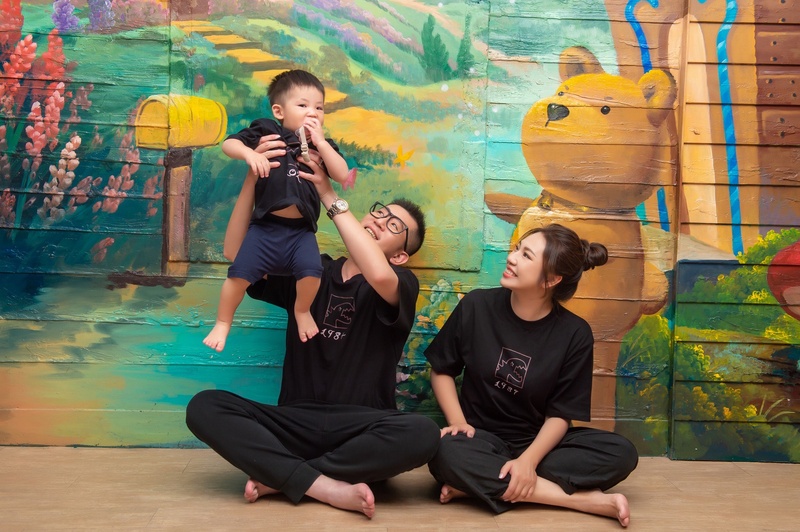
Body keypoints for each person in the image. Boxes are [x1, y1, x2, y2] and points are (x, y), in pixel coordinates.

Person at [186, 142, 440, 518]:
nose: (378, 222)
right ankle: (322, 484)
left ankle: (289, 476)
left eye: (393, 227)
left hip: (360, 430)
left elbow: (379, 274)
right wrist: (251, 180)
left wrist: (327, 193)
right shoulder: (308, 268)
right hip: (295, 423)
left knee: (423, 433)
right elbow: (235, 252)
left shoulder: (401, 283)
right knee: (204, 407)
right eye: (379, 213)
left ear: (400, 255)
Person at [425, 224, 639, 527]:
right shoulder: (476, 306)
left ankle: (479, 486)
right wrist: (458, 423)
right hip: (479, 438)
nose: (511, 258)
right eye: (517, 249)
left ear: (551, 280)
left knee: (621, 453)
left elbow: (560, 414)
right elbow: (442, 370)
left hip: (539, 444)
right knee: (445, 452)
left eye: (526, 255)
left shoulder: (575, 334)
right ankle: (578, 500)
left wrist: (528, 461)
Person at [204, 69, 350, 352]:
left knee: (312, 273)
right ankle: (223, 322)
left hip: (301, 232)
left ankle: (302, 310)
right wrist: (250, 153)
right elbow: (229, 144)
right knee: (238, 276)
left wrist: (321, 143)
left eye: (320, 108)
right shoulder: (267, 130)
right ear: (279, 111)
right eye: (303, 105)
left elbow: (342, 174)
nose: (313, 113)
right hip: (265, 228)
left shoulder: (322, 147)